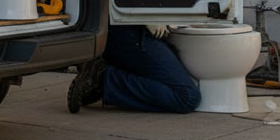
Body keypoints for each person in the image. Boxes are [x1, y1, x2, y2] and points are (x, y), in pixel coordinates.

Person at [67, 24, 200, 113]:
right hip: (129, 31)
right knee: (187, 97)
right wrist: (146, 17)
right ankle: (102, 79)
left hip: (129, 30)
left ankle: (106, 78)